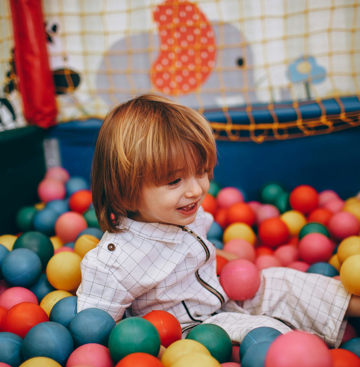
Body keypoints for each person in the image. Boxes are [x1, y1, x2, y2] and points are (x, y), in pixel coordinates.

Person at [77, 93, 360, 348]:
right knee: (269, 335)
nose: (197, 189)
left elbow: (193, 250)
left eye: (201, 171)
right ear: (125, 192)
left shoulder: (179, 213)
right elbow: (95, 328)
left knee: (293, 283)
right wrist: (155, 351)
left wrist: (228, 257)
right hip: (194, 333)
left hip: (226, 294)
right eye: (175, 180)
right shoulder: (114, 262)